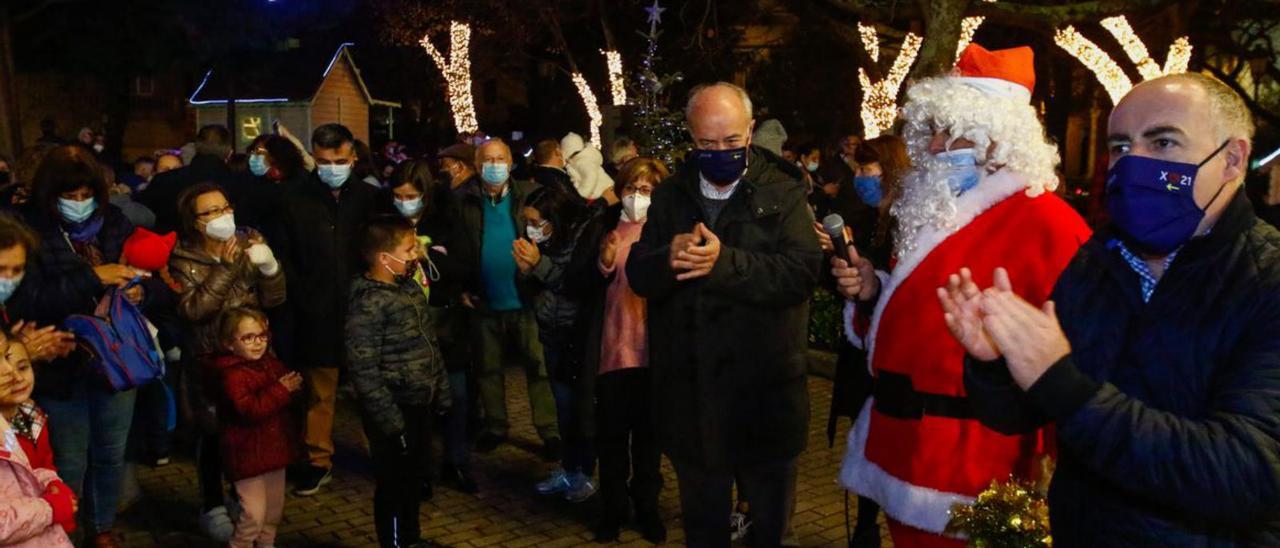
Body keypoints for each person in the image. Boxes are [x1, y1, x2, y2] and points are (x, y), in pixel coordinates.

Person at [938, 72, 1280, 543]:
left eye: (1162, 142)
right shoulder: (1099, 261)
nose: (1133, 162)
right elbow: (1020, 414)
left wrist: (1062, 382)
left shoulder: (1267, 281)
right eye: (1120, 146)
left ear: (1232, 159)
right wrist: (998, 363)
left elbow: (1248, 475)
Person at [828, 45, 1092, 546]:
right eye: (933, 133)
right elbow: (911, 317)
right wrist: (870, 293)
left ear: (997, 137)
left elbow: (1073, 361)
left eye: (948, 133)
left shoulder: (1049, 224)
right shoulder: (942, 213)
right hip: (901, 451)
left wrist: (1055, 479)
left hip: (975, 470)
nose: (932, 149)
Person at [626, 82, 822, 547]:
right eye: (706, 144)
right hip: (692, 403)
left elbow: (800, 273)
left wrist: (725, 264)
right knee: (704, 530)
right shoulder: (672, 196)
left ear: (750, 131)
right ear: (691, 139)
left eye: (731, 141)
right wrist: (664, 259)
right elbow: (638, 274)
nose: (720, 153)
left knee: (769, 531)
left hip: (765, 399)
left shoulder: (785, 192)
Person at [8, 145, 147, 548]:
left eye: (87, 195)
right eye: (70, 196)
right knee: (67, 461)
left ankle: (101, 526)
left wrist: (142, 293)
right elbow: (26, 298)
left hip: (117, 361)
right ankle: (60, 531)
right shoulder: (27, 231)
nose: (80, 204)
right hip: (59, 366)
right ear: (49, 195)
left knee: (110, 453)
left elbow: (153, 280)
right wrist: (93, 276)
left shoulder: (114, 223)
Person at [168, 182, 286, 537]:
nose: (222, 216)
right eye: (210, 212)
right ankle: (211, 503)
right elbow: (194, 310)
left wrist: (270, 269)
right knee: (214, 434)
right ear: (194, 221)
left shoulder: (248, 242)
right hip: (210, 360)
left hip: (252, 356)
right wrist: (227, 268)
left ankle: (242, 496)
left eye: (224, 207)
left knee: (248, 432)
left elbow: (275, 300)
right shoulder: (181, 259)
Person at [276, 123, 381, 495]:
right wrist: (302, 296)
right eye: (323, 161)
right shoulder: (293, 197)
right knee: (320, 394)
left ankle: (383, 457)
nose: (331, 167)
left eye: (339, 160)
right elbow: (285, 256)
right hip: (316, 312)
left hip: (363, 311)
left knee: (373, 390)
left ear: (353, 157)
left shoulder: (369, 199)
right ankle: (318, 461)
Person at [572, 157, 669, 543]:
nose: (636, 197)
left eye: (646, 190)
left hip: (654, 355)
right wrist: (602, 263)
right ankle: (612, 510)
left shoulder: (666, 231)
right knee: (611, 440)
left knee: (649, 442)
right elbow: (576, 282)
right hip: (612, 352)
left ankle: (647, 508)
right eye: (631, 188)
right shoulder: (603, 226)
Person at [346, 217, 451, 548]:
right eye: (409, 249)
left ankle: (411, 538)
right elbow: (363, 370)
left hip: (419, 402)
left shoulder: (407, 288)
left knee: (413, 479)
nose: (416, 254)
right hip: (392, 410)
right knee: (393, 485)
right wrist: (390, 423)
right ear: (383, 258)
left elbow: (429, 343)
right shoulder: (368, 302)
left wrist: (441, 390)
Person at [454, 139, 561, 457]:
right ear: (476, 164)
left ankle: (549, 431)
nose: (494, 165)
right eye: (488, 159)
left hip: (527, 298)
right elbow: (457, 246)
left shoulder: (529, 193)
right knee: (487, 368)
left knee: (538, 369)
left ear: (511, 162)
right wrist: (461, 285)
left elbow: (551, 235)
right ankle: (496, 426)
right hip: (484, 300)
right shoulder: (463, 200)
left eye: (501, 158)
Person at [386, 161, 477, 494]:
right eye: (397, 195)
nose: (403, 201)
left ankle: (456, 461)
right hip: (404, 323)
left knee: (455, 395)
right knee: (413, 403)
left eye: (410, 195)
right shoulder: (386, 222)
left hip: (444, 320)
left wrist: (430, 257)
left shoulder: (446, 219)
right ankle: (419, 469)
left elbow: (464, 264)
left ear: (425, 194)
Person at [518, 186, 598, 501]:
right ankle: (569, 468)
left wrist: (538, 265)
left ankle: (585, 473)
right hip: (550, 332)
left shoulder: (582, 239)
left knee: (581, 409)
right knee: (563, 409)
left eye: (537, 221)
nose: (531, 228)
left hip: (576, 336)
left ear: (556, 218)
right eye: (528, 222)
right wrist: (526, 271)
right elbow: (533, 288)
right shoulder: (542, 242)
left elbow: (576, 284)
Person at [210, 307, 298, 548]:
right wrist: (282, 390)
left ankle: (266, 545)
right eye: (248, 337)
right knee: (253, 515)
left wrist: (294, 388)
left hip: (273, 451)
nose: (257, 343)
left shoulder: (270, 364)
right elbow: (249, 410)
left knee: (272, 513)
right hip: (246, 455)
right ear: (230, 343)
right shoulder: (231, 376)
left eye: (262, 336)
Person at [0, 348, 76, 548]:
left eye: (23, 367)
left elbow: (33, 468)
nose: (14, 376)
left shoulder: (32, 413)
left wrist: (52, 481)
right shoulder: (6, 428)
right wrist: (50, 508)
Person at [140, 125, 237, 233]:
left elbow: (142, 215)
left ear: (196, 148)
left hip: (169, 246)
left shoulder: (163, 180)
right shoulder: (240, 183)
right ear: (229, 153)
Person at [561, 133, 616, 203]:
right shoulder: (578, 161)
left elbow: (591, 176)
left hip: (605, 193)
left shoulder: (583, 161)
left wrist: (581, 195)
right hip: (602, 195)